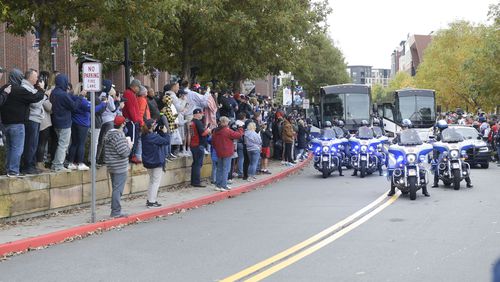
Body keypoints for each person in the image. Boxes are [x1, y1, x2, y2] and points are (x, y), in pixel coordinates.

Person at [1, 69, 46, 177]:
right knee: (17, 148)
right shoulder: (19, 90)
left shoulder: (4, 89)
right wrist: (41, 89)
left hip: (5, 123)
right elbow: (35, 98)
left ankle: (9, 169)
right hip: (17, 124)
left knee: (9, 148)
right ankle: (13, 171)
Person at [50, 74, 83, 172]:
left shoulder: (54, 92)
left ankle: (56, 163)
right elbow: (73, 106)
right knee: (63, 144)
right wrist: (80, 97)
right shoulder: (63, 94)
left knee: (60, 143)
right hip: (64, 122)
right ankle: (58, 165)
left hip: (55, 121)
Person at [104, 115, 132, 218]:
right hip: (119, 166)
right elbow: (124, 152)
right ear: (123, 124)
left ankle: (115, 210)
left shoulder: (109, 134)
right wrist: (129, 146)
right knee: (118, 190)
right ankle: (116, 211)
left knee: (115, 188)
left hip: (112, 165)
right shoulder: (119, 136)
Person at [22, 69, 49, 174]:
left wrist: (42, 95)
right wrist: (43, 93)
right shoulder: (26, 88)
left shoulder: (31, 88)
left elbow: (38, 100)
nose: (38, 79)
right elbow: (35, 103)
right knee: (31, 144)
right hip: (31, 119)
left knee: (34, 143)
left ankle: (32, 165)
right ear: (30, 77)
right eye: (36, 76)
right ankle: (28, 166)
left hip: (36, 119)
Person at [141, 119, 170, 208]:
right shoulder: (153, 136)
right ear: (152, 127)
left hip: (148, 162)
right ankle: (152, 201)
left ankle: (150, 199)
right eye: (154, 125)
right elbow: (166, 141)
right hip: (156, 162)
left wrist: (159, 131)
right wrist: (165, 132)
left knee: (152, 181)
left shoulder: (144, 135)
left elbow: (160, 140)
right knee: (155, 182)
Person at [212, 116, 244, 190]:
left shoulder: (215, 131)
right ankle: (224, 185)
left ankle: (218, 185)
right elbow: (238, 135)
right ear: (225, 122)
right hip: (227, 152)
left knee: (219, 168)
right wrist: (240, 128)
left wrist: (217, 148)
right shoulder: (227, 130)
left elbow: (213, 142)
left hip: (219, 152)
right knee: (226, 169)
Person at [122, 79, 143, 164]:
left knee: (134, 138)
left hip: (132, 120)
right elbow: (131, 108)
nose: (139, 89)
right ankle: (131, 155)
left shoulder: (131, 93)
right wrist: (135, 120)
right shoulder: (128, 93)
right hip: (131, 120)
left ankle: (132, 155)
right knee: (132, 138)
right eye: (138, 87)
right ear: (134, 86)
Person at [190, 108, 210, 187]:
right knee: (198, 164)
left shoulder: (192, 122)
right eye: (201, 113)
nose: (202, 115)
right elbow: (203, 133)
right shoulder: (197, 122)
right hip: (198, 145)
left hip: (193, 144)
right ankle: (196, 182)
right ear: (196, 114)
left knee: (195, 164)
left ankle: (193, 181)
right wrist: (208, 130)